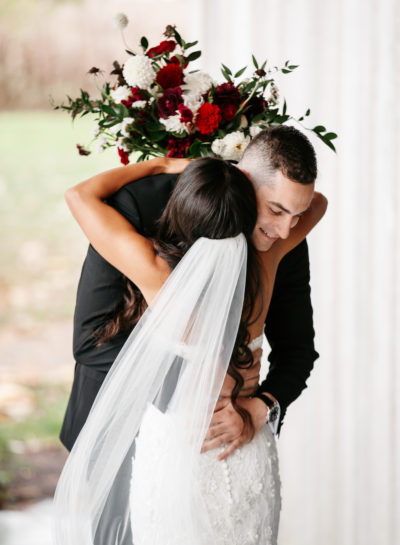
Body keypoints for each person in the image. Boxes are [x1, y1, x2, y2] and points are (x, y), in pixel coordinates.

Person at [53, 141, 327, 544]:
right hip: (240, 445)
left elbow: (79, 195)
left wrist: (165, 163)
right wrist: (256, 407)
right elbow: (317, 204)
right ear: (247, 199)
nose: (286, 227)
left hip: (174, 452)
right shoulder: (267, 265)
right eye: (277, 210)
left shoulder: (156, 275)